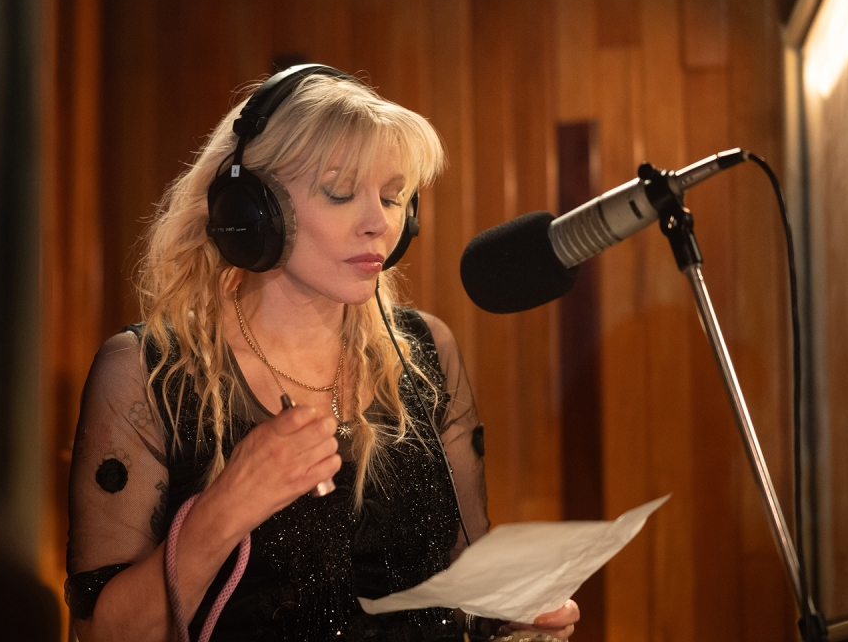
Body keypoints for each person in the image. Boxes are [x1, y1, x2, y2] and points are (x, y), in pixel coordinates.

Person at [66, 68, 580, 641]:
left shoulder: (425, 351)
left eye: (392, 198)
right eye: (340, 193)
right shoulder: (146, 372)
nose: (379, 224)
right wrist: (224, 510)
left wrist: (515, 611)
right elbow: (101, 635)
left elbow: (465, 578)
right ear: (252, 211)